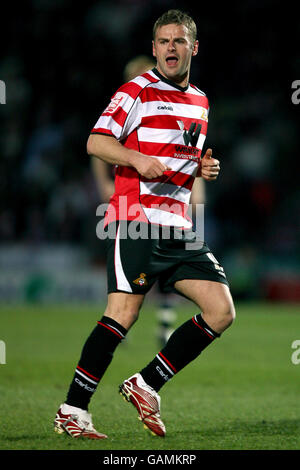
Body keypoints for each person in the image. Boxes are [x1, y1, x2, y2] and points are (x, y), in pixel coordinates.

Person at [54, 9, 235, 439]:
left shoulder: (202, 101)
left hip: (176, 223)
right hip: (136, 220)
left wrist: (201, 169)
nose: (171, 48)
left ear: (194, 47)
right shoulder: (136, 90)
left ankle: (146, 383)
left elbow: (184, 159)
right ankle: (72, 409)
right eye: (164, 42)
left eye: (179, 41)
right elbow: (96, 141)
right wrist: (135, 158)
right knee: (122, 314)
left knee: (221, 310)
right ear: (155, 49)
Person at [91, 54, 206, 347]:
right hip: (132, 207)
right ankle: (119, 326)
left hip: (171, 208)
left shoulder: (186, 103)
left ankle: (162, 326)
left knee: (171, 278)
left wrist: (200, 174)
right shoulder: (129, 102)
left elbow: (185, 152)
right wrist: (106, 181)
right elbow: (99, 144)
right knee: (127, 297)